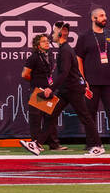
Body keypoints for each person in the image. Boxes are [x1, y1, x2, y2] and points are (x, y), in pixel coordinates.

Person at [38, 22, 103, 154]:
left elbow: (65, 72)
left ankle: (98, 146)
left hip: (72, 90)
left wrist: (51, 88)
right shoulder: (65, 49)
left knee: (85, 117)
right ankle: (37, 144)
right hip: (66, 91)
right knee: (51, 114)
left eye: (54, 31)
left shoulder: (65, 50)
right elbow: (76, 70)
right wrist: (84, 84)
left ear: (60, 34)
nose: (52, 34)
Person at [75, 8, 110, 151]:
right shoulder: (84, 37)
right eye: (101, 16)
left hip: (109, 81)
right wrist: (82, 79)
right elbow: (78, 58)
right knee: (90, 113)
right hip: (91, 83)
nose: (105, 18)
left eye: (105, 15)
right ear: (93, 18)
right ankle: (91, 142)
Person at [19, 34, 59, 155]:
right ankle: (35, 143)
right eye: (43, 41)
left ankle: (54, 145)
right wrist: (36, 81)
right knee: (36, 119)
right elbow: (24, 74)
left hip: (47, 90)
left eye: (47, 41)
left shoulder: (49, 56)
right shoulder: (33, 57)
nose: (47, 43)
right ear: (37, 45)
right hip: (37, 91)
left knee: (50, 118)